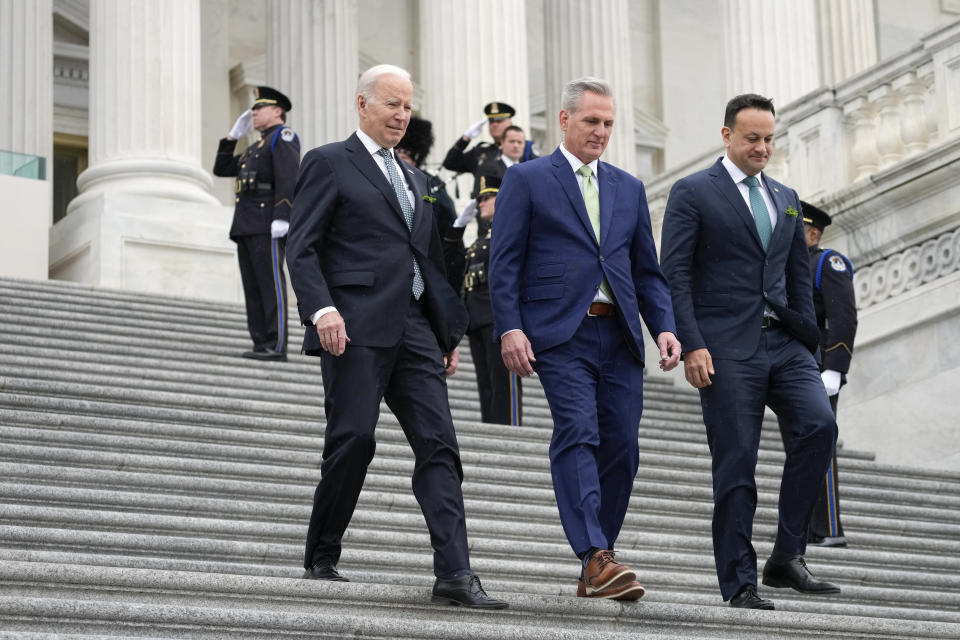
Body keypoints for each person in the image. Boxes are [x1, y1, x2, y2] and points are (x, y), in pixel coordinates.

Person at [285, 63, 507, 610]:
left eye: (407, 105)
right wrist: (321, 310)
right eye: (391, 104)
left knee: (440, 447)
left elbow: (429, 260)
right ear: (363, 104)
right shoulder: (329, 162)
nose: (402, 114)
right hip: (353, 325)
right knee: (354, 439)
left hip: (415, 329)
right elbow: (301, 246)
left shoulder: (416, 180)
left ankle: (455, 574)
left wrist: (444, 331)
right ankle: (322, 552)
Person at [489, 77, 681, 601]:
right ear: (565, 120)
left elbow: (647, 270)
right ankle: (594, 554)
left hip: (618, 335)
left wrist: (663, 326)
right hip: (559, 333)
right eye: (592, 121)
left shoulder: (629, 187)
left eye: (609, 123)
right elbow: (503, 261)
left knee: (622, 445)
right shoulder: (528, 179)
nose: (601, 131)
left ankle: (601, 558)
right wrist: (510, 326)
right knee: (578, 430)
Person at [659, 94, 841, 610]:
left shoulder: (785, 194)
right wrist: (692, 343)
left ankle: (786, 555)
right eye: (752, 138)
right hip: (724, 347)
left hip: (785, 343)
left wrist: (808, 338)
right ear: (727, 136)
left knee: (819, 427)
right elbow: (673, 273)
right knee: (737, 463)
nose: (762, 147)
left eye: (768, 139)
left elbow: (795, 274)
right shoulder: (693, 191)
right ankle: (739, 581)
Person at [783, 200, 857, 547]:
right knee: (796, 444)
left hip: (819, 366)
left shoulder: (827, 262)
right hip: (790, 364)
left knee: (818, 440)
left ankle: (827, 526)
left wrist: (835, 368)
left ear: (812, 233)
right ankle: (803, 527)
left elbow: (842, 317)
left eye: (799, 229)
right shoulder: (787, 266)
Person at [213, 86, 300, 361]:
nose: (253, 114)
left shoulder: (283, 138)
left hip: (268, 223)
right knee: (252, 286)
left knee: (270, 283)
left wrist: (283, 216)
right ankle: (261, 341)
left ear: (277, 111)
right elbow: (222, 168)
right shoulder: (254, 148)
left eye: (258, 109)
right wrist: (232, 136)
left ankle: (276, 345)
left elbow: (288, 177)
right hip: (247, 224)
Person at [445, 174, 521, 426]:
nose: (481, 203)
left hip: (498, 316)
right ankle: (492, 427)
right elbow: (456, 266)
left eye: (488, 198)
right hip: (476, 317)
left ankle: (509, 432)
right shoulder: (481, 240)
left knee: (502, 382)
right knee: (486, 382)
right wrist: (458, 228)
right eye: (481, 199)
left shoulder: (510, 232)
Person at [395, 116, 463, 292]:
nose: (401, 161)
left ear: (416, 160)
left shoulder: (430, 181)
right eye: (397, 156)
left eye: (405, 156)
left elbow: (448, 217)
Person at [442, 101, 518, 199]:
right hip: (483, 209)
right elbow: (450, 162)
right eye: (491, 121)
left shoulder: (522, 149)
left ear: (510, 123)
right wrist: (466, 138)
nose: (494, 124)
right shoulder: (481, 151)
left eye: (499, 121)